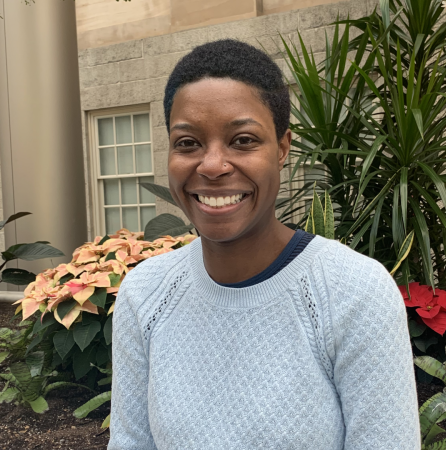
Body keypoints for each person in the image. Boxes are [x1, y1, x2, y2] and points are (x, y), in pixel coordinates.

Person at [108, 39, 420, 450]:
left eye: (243, 140)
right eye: (188, 143)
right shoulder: (145, 293)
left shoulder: (353, 291)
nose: (213, 165)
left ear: (283, 149)